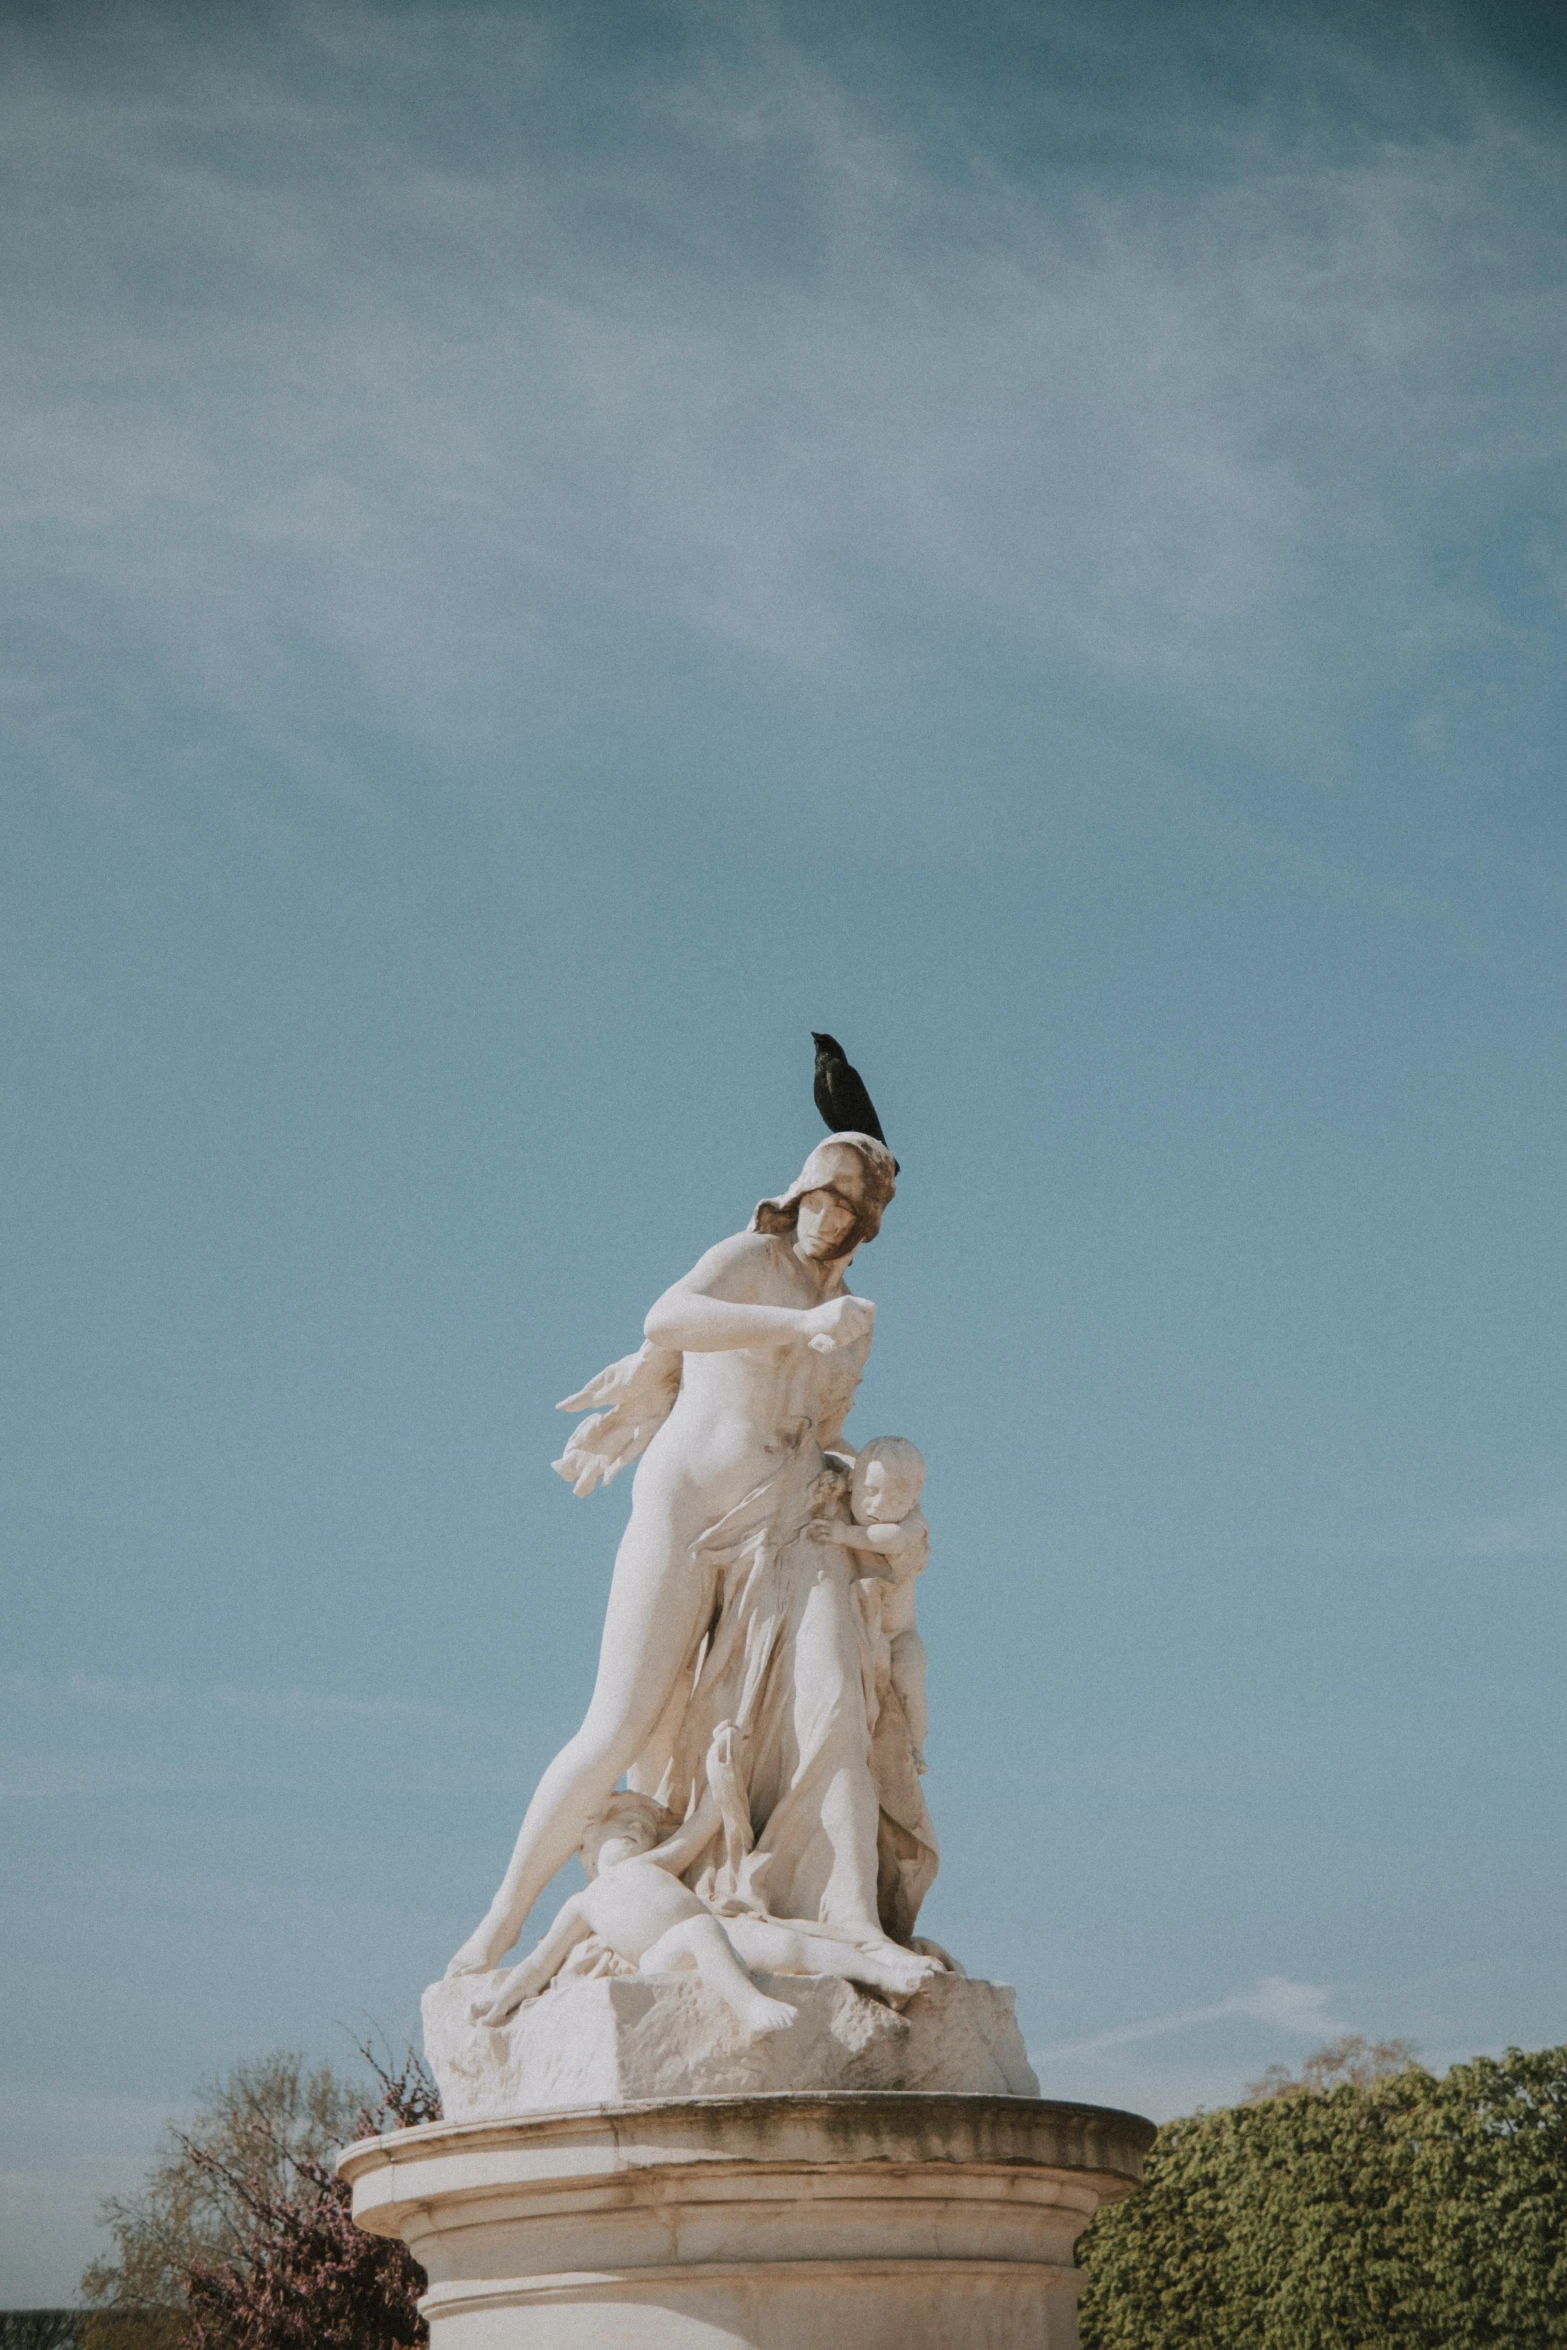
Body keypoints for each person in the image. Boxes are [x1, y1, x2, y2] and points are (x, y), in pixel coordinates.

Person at [447, 1133, 937, 2000]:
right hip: (686, 1508)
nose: (828, 1214)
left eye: (849, 1205)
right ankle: (505, 1913)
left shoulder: (853, 1319)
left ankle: (850, 1918)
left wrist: (876, 1505)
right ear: (796, 1194)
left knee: (836, 1707)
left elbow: (812, 1432)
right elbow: (666, 1320)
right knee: (620, 1722)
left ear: (866, 1224)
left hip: (788, 1521)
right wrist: (798, 1323)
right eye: (820, 1194)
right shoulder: (753, 1257)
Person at [809, 1436, 929, 1773]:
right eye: (870, 1491)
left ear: (913, 1500)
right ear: (852, 1481)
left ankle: (916, 1747)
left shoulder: (912, 1525)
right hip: (869, 1628)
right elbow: (833, 1456)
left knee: (909, 1685)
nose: (877, 1506)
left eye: (894, 1499)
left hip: (901, 1635)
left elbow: (890, 1540)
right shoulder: (849, 1482)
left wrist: (843, 1535)